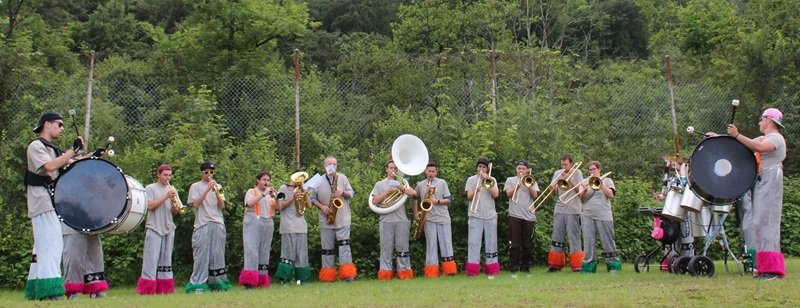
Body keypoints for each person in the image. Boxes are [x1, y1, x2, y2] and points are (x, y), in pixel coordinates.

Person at [24, 112, 83, 301]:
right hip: (41, 201)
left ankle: (35, 289)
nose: (62, 128)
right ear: (47, 124)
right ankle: (49, 292)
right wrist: (71, 151)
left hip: (50, 201)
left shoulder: (52, 148)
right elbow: (50, 167)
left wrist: (91, 156)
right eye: (59, 124)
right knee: (51, 245)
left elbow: (69, 163)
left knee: (41, 247)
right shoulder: (36, 146)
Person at [727, 108, 787, 280]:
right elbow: (744, 144)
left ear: (769, 120)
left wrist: (737, 135)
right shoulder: (765, 137)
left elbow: (759, 147)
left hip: (770, 178)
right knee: (759, 222)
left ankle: (772, 270)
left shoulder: (776, 138)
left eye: (761, 119)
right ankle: (765, 268)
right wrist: (717, 138)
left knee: (766, 222)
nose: (760, 122)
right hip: (762, 180)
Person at [185, 162, 231, 293]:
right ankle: (198, 284)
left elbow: (222, 206)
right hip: (202, 224)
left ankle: (217, 283)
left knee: (218, 255)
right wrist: (206, 189)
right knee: (201, 256)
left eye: (211, 172)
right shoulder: (195, 186)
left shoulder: (219, 186)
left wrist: (216, 192)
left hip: (217, 222)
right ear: (201, 173)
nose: (209, 175)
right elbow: (195, 204)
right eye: (206, 172)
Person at [311, 156, 357, 282]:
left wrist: (342, 192)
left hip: (342, 218)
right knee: (327, 249)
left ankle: (348, 275)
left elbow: (351, 194)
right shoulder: (318, 180)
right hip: (326, 219)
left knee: (344, 246)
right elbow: (312, 199)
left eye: (335, 164)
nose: (332, 167)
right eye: (330, 164)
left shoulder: (342, 178)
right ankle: (328, 276)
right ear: (324, 166)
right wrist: (322, 206)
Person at [137, 164, 180, 295]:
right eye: (165, 175)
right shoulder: (150, 188)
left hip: (168, 227)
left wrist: (174, 201)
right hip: (154, 227)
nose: (167, 177)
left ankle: (165, 288)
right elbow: (149, 206)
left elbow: (176, 211)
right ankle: (147, 289)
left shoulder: (172, 189)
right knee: (151, 258)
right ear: (158, 174)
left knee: (166, 259)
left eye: (169, 175)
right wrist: (166, 196)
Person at [371, 160, 417, 280]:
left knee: (403, 247)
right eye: (391, 168)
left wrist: (401, 187)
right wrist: (387, 192)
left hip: (401, 219)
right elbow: (374, 201)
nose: (393, 170)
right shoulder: (379, 184)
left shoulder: (401, 183)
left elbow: (414, 193)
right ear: (386, 169)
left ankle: (404, 272)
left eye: (395, 168)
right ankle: (385, 273)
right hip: (386, 220)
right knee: (386, 248)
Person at [412, 162, 456, 278]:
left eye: (433, 171)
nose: (431, 173)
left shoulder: (442, 183)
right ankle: (431, 273)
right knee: (431, 245)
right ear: (425, 172)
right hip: (428, 218)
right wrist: (416, 212)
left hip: (443, 218)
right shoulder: (420, 185)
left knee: (446, 243)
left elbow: (449, 200)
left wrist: (436, 201)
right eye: (429, 171)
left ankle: (449, 271)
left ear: (436, 172)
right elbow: (414, 197)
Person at [578, 161, 621, 273]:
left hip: (604, 215)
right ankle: (588, 268)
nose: (592, 171)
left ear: (599, 169)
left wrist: (601, 185)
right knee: (588, 242)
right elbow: (581, 198)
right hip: (587, 214)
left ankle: (613, 266)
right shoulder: (584, 182)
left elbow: (611, 195)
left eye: (594, 169)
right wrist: (585, 190)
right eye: (590, 169)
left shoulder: (607, 180)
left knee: (608, 240)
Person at [464, 156, 501, 279]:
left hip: (490, 216)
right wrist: (477, 190)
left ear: (487, 169)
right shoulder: (471, 180)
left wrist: (487, 181)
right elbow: (469, 196)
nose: (482, 169)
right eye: (480, 167)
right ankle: (473, 271)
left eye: (484, 167)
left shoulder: (492, 179)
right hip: (475, 216)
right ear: (476, 168)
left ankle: (492, 269)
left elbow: (495, 194)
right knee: (474, 243)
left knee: (491, 243)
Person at [238, 172, 276, 289]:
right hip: (253, 223)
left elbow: (278, 208)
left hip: (267, 222)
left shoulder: (270, 194)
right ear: (258, 180)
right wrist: (263, 194)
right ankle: (249, 281)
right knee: (251, 251)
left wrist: (277, 197)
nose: (266, 182)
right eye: (264, 180)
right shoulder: (251, 191)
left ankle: (262, 280)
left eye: (268, 180)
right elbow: (249, 203)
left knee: (264, 252)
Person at [274, 171, 312, 285]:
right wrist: (293, 197)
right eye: (299, 179)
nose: (301, 181)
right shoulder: (283, 188)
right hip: (288, 225)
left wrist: (305, 193)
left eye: (302, 180)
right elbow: (278, 207)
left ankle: (301, 279)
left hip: (301, 226)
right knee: (287, 253)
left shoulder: (302, 189)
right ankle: (285, 278)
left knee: (302, 253)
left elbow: (309, 205)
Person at [547, 154, 584, 272]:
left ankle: (577, 265)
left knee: (574, 237)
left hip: (573, 209)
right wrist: (552, 188)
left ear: (571, 164)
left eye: (566, 165)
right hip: (559, 208)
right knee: (557, 236)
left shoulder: (577, 173)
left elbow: (580, 190)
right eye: (562, 164)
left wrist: (570, 178)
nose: (564, 167)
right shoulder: (557, 173)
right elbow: (554, 193)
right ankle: (555, 264)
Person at [503, 160, 539, 277]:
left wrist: (528, 186)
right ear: (516, 169)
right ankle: (513, 267)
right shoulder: (510, 180)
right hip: (515, 215)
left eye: (523, 169)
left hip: (529, 216)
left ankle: (526, 267)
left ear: (527, 170)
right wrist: (517, 187)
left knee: (527, 244)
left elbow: (535, 196)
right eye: (519, 168)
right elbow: (508, 194)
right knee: (514, 244)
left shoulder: (531, 180)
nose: (521, 171)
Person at [62, 227, 109, 299]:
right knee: (74, 259)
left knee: (94, 258)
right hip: (71, 225)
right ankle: (72, 292)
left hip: (91, 226)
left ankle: (95, 289)